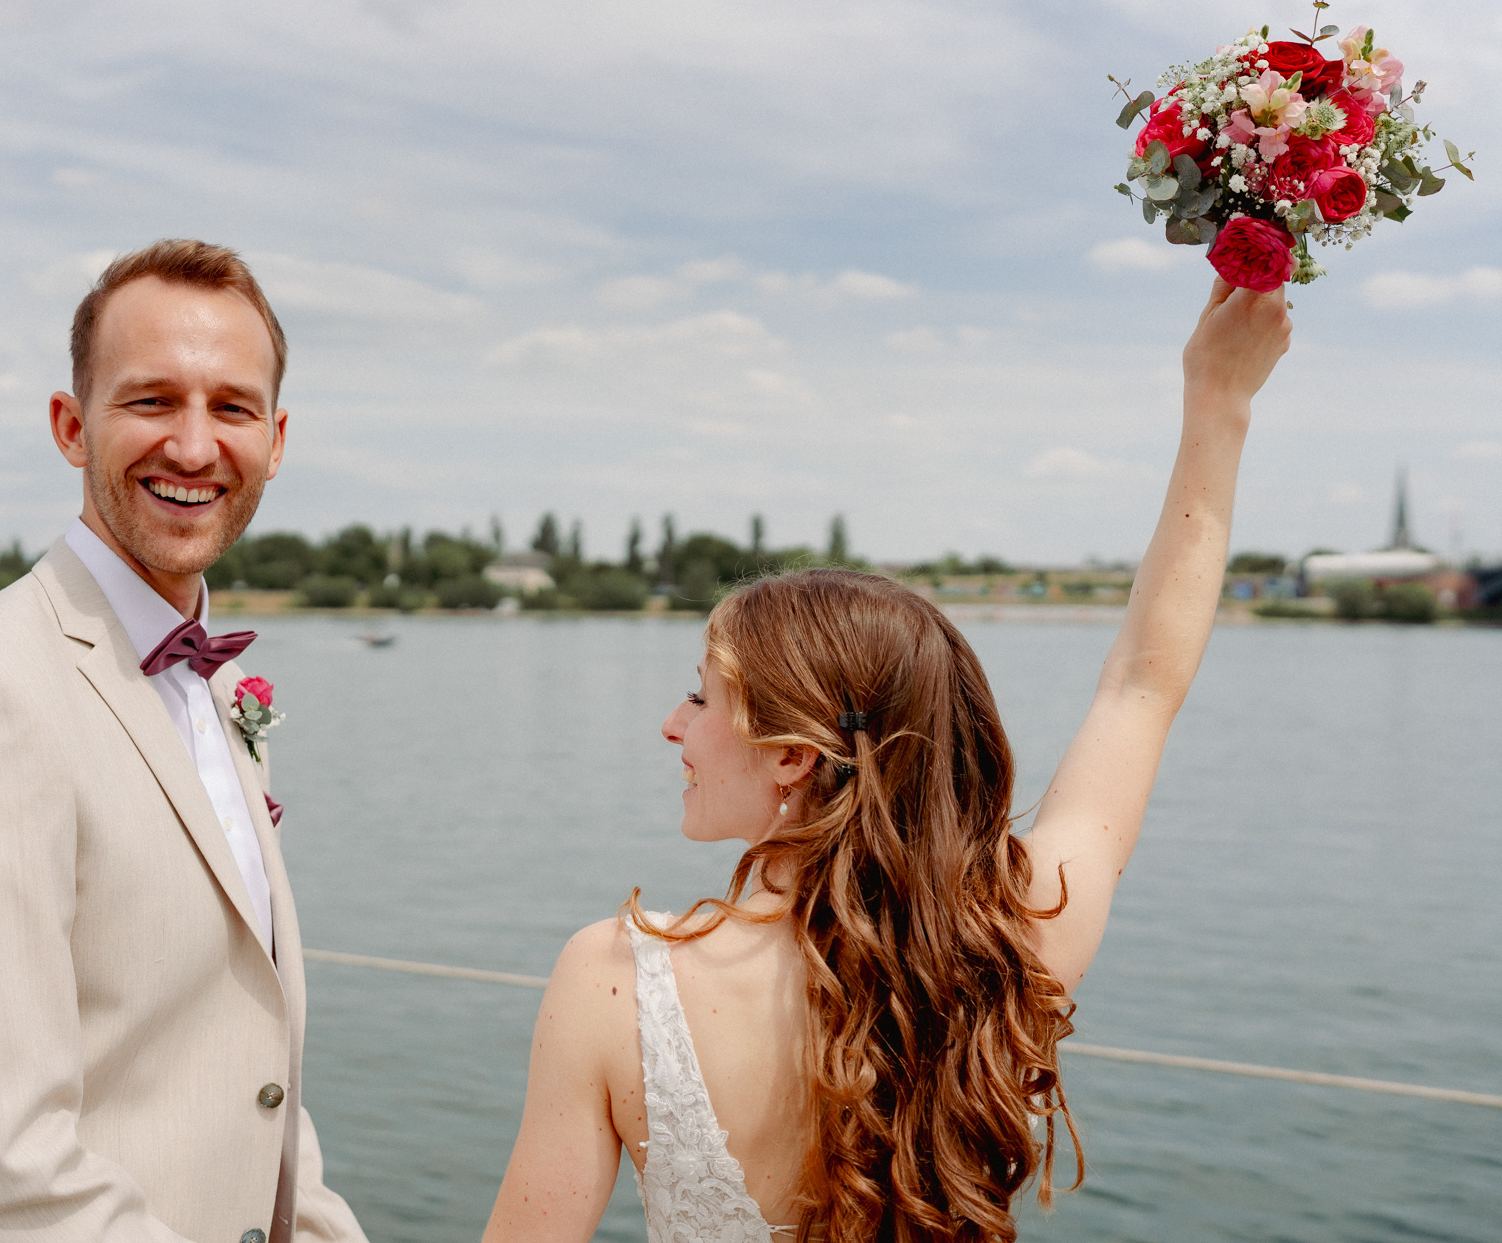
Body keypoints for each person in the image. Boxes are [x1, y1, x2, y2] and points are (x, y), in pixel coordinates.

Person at [483, 278, 1292, 1243]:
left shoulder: (612, 979)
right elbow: (1141, 689)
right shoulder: (1010, 937)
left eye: (699, 695)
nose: (671, 725)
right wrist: (1219, 400)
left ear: (792, 754)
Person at [0, 240, 366, 1243]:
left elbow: (250, 1084)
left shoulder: (217, 692)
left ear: (276, 439)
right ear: (71, 426)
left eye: (232, 407)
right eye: (152, 400)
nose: (194, 447)